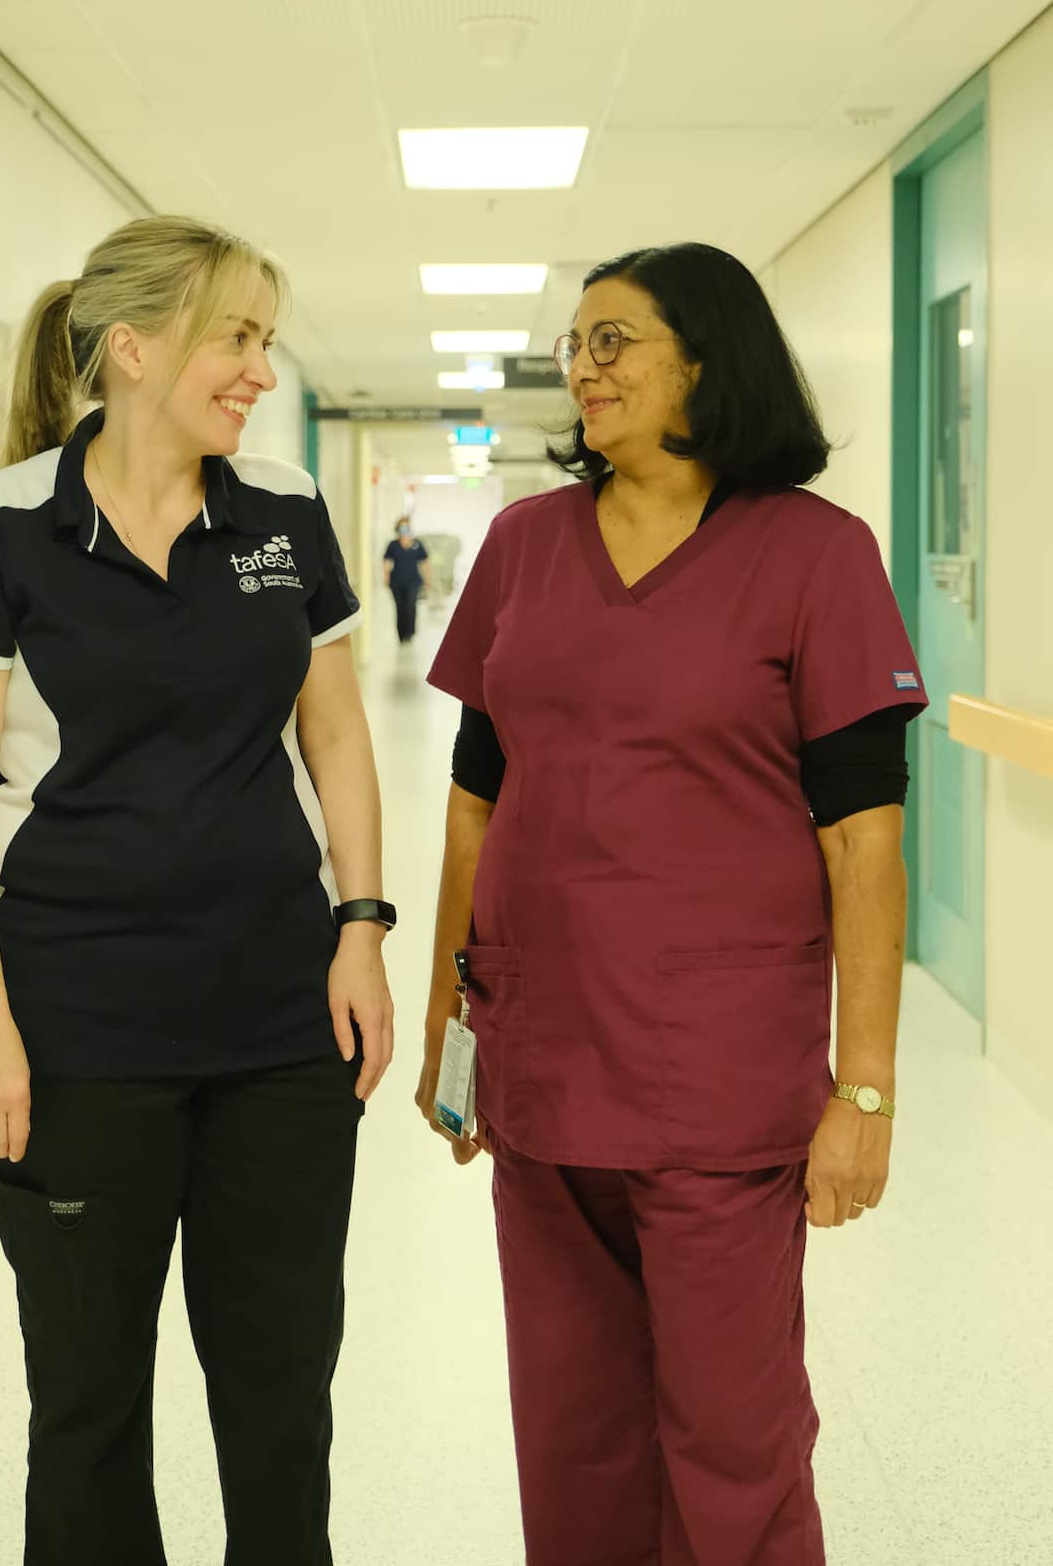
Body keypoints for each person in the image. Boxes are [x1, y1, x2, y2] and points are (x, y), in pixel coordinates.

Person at [416, 242, 928, 1566]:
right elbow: (476, 801)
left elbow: (866, 841)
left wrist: (863, 1090)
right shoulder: (527, 547)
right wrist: (448, 1033)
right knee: (572, 1434)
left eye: (614, 341)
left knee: (733, 1437)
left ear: (709, 360)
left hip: (716, 1081)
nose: (583, 369)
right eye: (575, 346)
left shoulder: (816, 555)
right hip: (539, 1066)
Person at [0, 216, 396, 1566]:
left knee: (281, 1399)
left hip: (281, 1033)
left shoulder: (284, 511)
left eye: (264, 341)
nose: (257, 369)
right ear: (131, 350)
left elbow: (339, 735)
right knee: (86, 1406)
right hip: (81, 1033)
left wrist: (362, 929)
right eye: (234, 337)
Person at [382, 515, 430, 643]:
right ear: (398, 529)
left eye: (406, 525)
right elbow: (386, 562)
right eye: (402, 526)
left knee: (410, 605)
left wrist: (428, 579)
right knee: (400, 607)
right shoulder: (393, 545)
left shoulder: (417, 544)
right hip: (396, 582)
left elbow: (425, 562)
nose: (405, 529)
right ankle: (401, 634)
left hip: (413, 581)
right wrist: (386, 578)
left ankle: (410, 633)